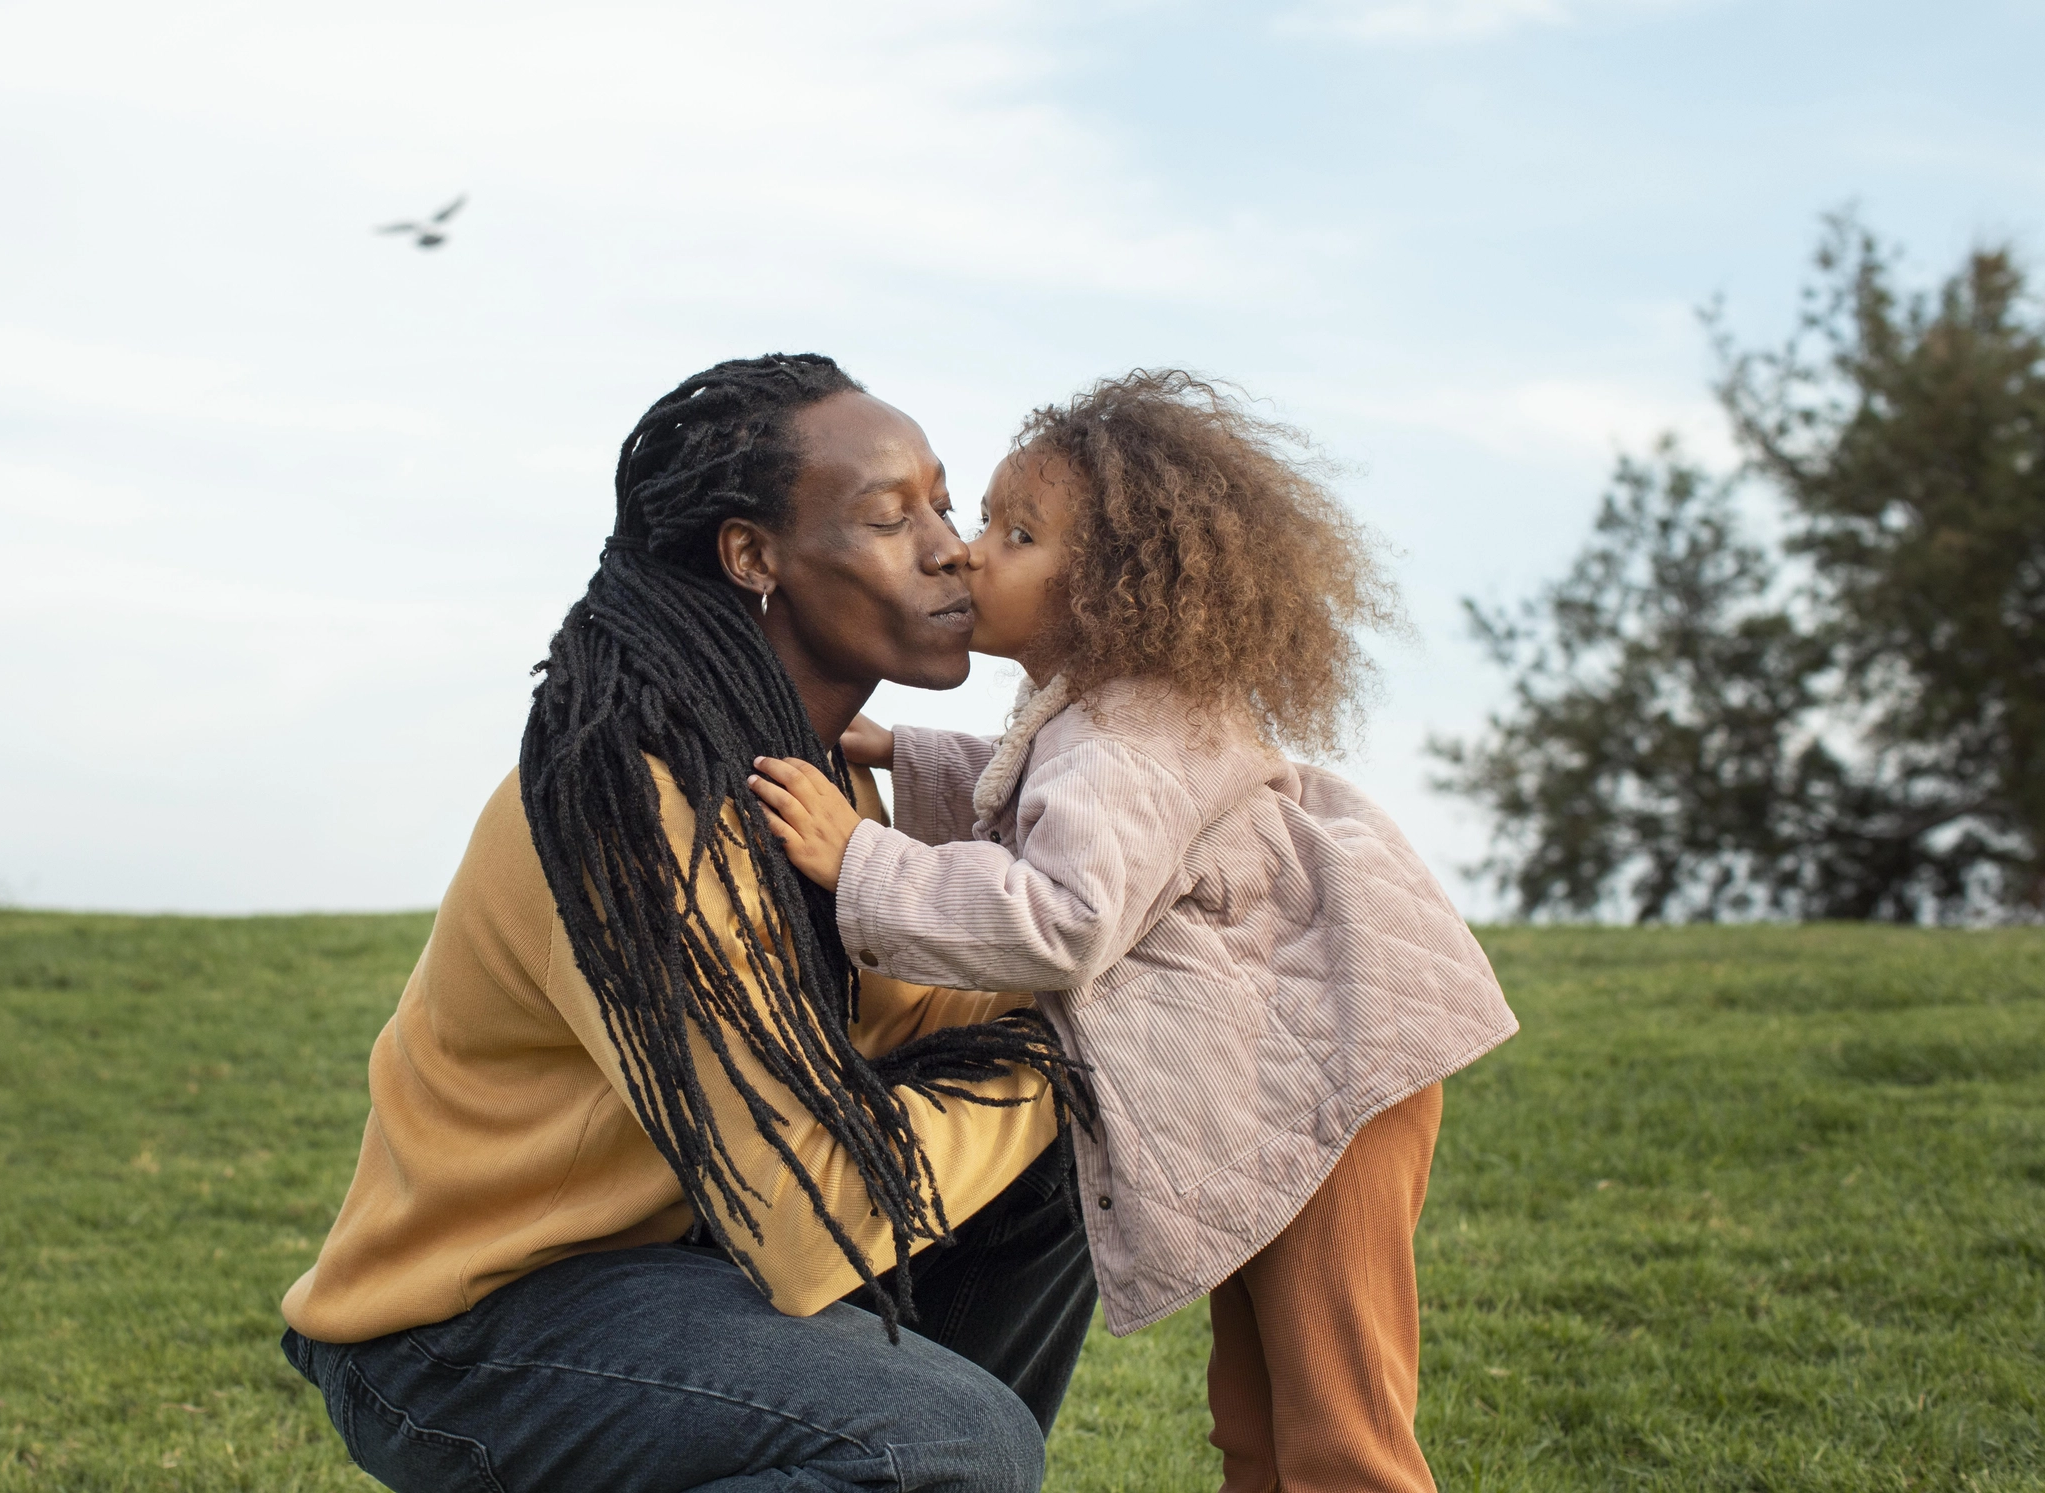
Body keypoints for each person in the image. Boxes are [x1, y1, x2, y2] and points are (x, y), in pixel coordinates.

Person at [279, 355, 1097, 1493]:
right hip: (467, 1329)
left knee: (1054, 1179)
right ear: (752, 556)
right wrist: (1069, 1049)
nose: (949, 546)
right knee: (943, 1443)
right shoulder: (630, 800)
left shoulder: (807, 776)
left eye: (944, 505)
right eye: (887, 516)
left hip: (682, 1272)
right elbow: (806, 1226)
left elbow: (919, 1018)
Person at [748, 370, 1521, 1493]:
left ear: (1110, 583)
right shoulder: (1112, 716)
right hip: (1301, 1069)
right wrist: (903, 754)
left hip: (1331, 1081)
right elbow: (1059, 815)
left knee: (1342, 1433)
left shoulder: (1123, 734)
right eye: (986, 520)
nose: (967, 551)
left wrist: (857, 856)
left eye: (1016, 533)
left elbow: (1062, 914)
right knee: (1256, 1417)